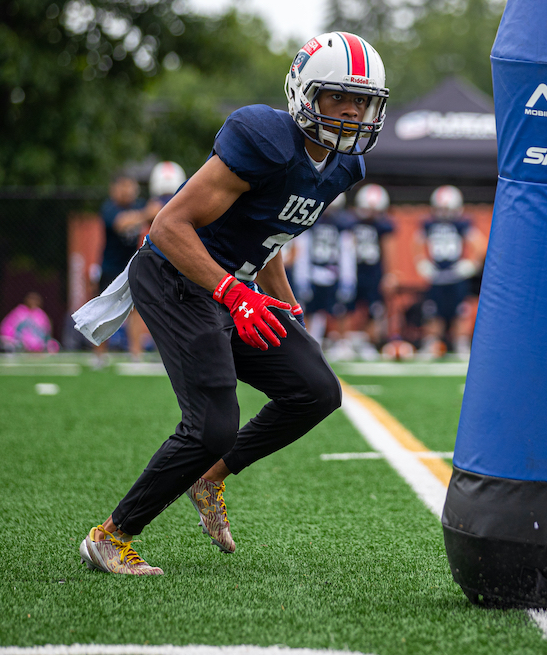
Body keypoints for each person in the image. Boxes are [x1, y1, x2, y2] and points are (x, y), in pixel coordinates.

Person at [78, 31, 389, 575]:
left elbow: (269, 235)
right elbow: (168, 225)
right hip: (177, 276)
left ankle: (210, 476)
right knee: (212, 424)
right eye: (338, 97)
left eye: (362, 101)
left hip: (237, 287)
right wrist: (230, 292)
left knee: (315, 388)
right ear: (304, 94)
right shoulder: (264, 137)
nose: (351, 113)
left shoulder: (344, 168)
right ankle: (111, 536)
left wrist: (284, 304)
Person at [413, 185, 486, 359]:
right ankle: (432, 343)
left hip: (455, 276)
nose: (444, 212)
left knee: (460, 311)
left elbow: (480, 245)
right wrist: (421, 262)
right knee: (433, 312)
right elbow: (415, 244)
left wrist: (471, 264)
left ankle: (461, 343)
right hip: (437, 275)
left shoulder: (462, 223)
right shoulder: (429, 224)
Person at [94, 173, 161, 364]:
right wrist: (146, 213)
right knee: (104, 310)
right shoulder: (109, 208)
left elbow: (158, 216)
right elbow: (121, 223)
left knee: (135, 309)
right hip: (109, 267)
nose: (127, 191)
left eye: (130, 186)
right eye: (123, 186)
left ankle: (135, 353)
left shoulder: (139, 205)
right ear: (114, 189)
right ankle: (99, 356)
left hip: (132, 266)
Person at [290, 193, 357, 357]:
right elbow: (303, 251)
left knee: (339, 310)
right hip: (314, 271)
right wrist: (302, 277)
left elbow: (347, 253)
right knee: (311, 309)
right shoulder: (310, 223)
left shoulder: (342, 225)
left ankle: (342, 342)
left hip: (333, 272)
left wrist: (347, 278)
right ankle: (310, 339)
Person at [343, 184, 396, 360]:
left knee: (374, 308)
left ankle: (367, 342)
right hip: (353, 271)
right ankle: (346, 341)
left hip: (374, 271)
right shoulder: (350, 222)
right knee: (349, 307)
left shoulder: (382, 226)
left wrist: (388, 275)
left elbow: (388, 250)